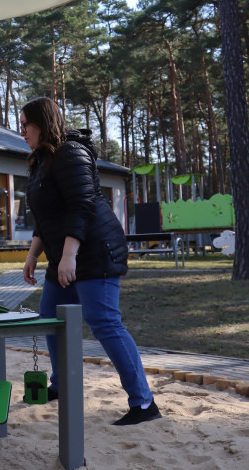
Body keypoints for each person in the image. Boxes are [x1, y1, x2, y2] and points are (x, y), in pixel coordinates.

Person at [19, 96, 161, 425]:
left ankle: (143, 403)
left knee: (105, 323)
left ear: (44, 122)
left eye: (26, 124)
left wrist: (69, 255)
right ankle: (61, 385)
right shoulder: (41, 160)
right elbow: (46, 216)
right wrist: (32, 255)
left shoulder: (71, 152)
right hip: (64, 255)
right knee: (50, 319)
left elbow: (81, 205)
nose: (21, 130)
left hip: (94, 251)